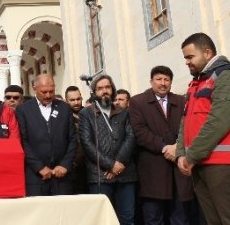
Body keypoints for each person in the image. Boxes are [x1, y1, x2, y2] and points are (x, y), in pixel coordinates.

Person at [176, 33, 230, 225]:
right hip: (201, 163)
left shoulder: (226, 77)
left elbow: (219, 121)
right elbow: (185, 121)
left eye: (190, 57)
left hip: (223, 164)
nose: (187, 62)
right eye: (185, 58)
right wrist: (181, 153)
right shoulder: (196, 82)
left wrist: (191, 156)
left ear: (207, 53)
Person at [128, 66, 194, 225]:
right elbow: (140, 131)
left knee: (180, 218)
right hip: (153, 171)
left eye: (166, 80)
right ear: (151, 81)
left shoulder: (180, 101)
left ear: (171, 82)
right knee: (153, 218)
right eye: (158, 79)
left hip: (179, 169)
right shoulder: (138, 101)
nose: (162, 83)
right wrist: (165, 147)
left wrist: (177, 147)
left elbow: (189, 127)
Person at [80, 75, 137, 225]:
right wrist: (111, 165)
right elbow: (86, 143)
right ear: (94, 92)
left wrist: (119, 163)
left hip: (125, 173)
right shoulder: (86, 114)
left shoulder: (124, 112)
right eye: (100, 88)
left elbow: (131, 137)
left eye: (107, 87)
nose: (104, 91)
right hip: (99, 175)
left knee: (127, 217)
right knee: (102, 220)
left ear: (112, 90)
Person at [15, 74, 75, 196]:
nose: (48, 95)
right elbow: (22, 142)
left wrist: (65, 164)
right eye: (44, 92)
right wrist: (39, 167)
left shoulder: (64, 108)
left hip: (62, 177)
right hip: (36, 177)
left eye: (51, 91)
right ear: (34, 88)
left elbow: (73, 139)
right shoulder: (23, 110)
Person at [65, 85, 87, 194]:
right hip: (72, 167)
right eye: (72, 100)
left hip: (90, 167)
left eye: (78, 99)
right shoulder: (63, 117)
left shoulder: (90, 114)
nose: (76, 102)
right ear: (66, 101)